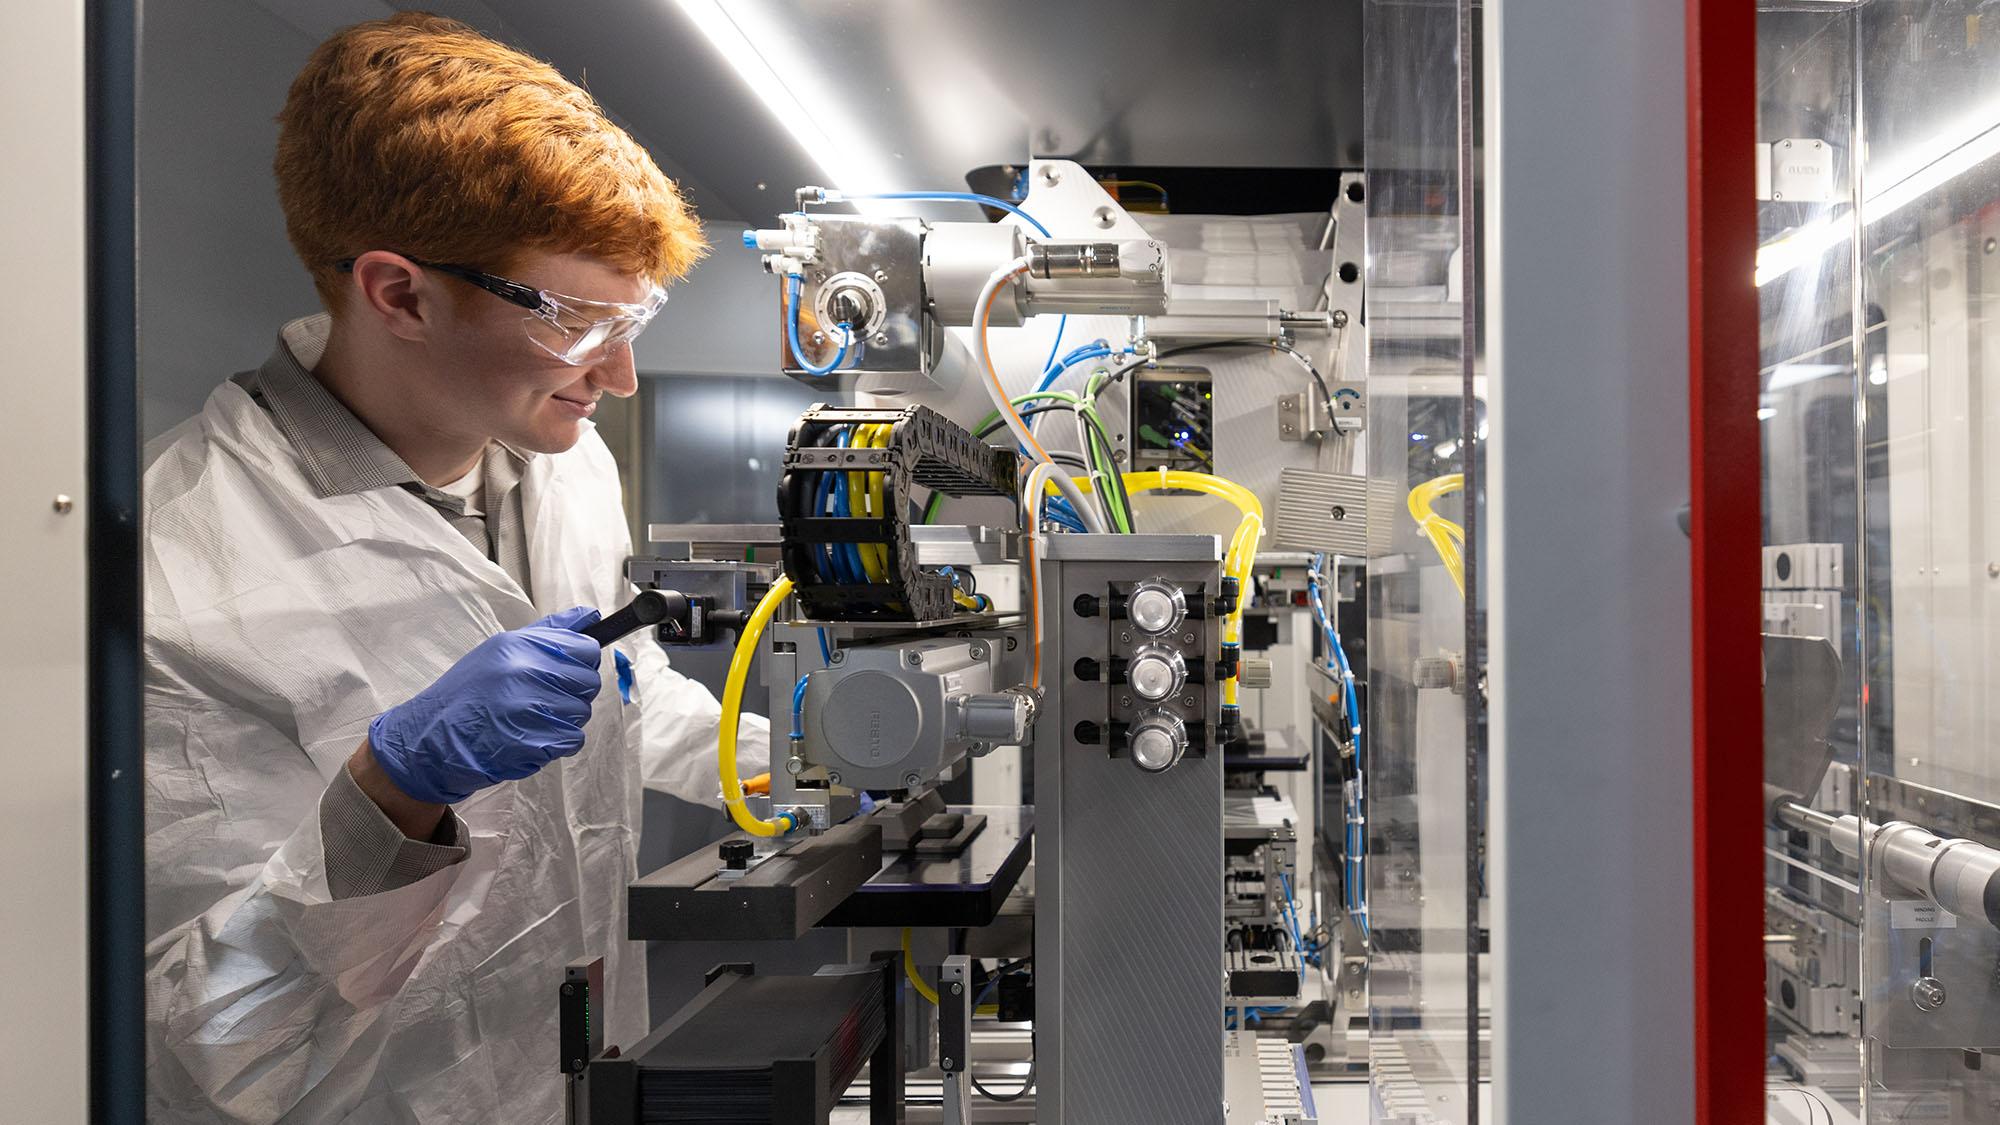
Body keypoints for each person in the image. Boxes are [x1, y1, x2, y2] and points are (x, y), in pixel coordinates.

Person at [142, 13, 768, 1121]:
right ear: (398, 294)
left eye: (637, 320)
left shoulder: (556, 464)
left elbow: (622, 700)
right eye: (581, 323)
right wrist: (394, 795)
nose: (619, 378)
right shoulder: (178, 572)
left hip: (573, 1069)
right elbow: (205, 1031)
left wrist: (796, 759)